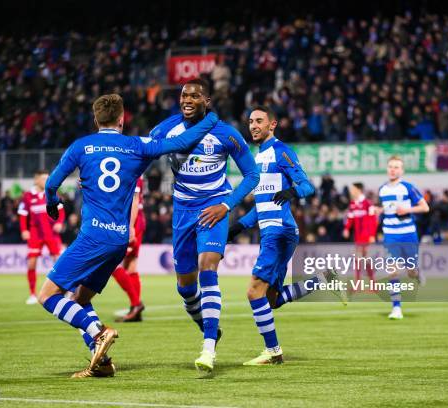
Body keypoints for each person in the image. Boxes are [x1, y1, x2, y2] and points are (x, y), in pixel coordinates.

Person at [38, 93, 218, 378]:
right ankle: (103, 362)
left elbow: (51, 184)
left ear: (96, 119)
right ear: (122, 119)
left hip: (92, 237)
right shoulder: (137, 146)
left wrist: (53, 204)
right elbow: (182, 141)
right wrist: (209, 119)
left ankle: (98, 332)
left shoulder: (81, 146)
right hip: (119, 241)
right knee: (80, 300)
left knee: (47, 295)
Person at [150, 78, 259, 376]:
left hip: (213, 210)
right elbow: (140, 155)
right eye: (184, 95)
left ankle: (208, 347)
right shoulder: (165, 129)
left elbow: (252, 175)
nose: (187, 99)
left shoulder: (227, 134)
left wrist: (226, 206)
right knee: (185, 287)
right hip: (182, 211)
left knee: (207, 268)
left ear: (207, 101)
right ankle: (210, 327)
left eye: (195, 96)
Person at [228, 106, 315, 365]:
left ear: (272, 124)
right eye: (250, 121)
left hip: (278, 230)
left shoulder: (281, 151)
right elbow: (263, 205)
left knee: (254, 292)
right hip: (273, 228)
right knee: (271, 300)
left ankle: (273, 352)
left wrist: (292, 193)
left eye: (259, 121)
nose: (253, 125)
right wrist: (238, 227)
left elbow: (307, 186)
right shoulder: (257, 158)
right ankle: (321, 282)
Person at [378, 156, 430, 320]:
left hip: (408, 234)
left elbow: (425, 207)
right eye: (391, 166)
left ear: (402, 171)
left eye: (396, 167)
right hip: (390, 235)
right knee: (392, 270)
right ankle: (396, 308)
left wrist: (408, 209)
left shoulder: (408, 188)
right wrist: (378, 211)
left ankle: (417, 273)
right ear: (387, 169)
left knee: (411, 272)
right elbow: (387, 209)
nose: (393, 169)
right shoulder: (382, 190)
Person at [18, 169, 64, 304]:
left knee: (60, 262)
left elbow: (60, 211)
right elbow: (23, 214)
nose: (46, 181)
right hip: (35, 233)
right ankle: (32, 294)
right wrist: (24, 230)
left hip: (51, 233)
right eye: (43, 178)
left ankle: (63, 292)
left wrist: (60, 223)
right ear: (36, 180)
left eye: (47, 178)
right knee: (31, 264)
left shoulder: (51, 193)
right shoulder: (27, 196)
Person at [112, 177, 146, 322]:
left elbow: (134, 200)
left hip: (132, 221)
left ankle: (136, 304)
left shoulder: (133, 170)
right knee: (131, 267)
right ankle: (135, 311)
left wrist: (130, 226)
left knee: (111, 264)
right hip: (132, 221)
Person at [342, 182, 377, 290]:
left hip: (366, 236)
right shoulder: (353, 204)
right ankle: (368, 285)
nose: (351, 191)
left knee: (362, 259)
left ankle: (367, 285)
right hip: (358, 236)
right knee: (361, 259)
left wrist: (372, 235)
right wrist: (346, 229)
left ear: (358, 190)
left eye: (353, 189)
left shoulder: (367, 204)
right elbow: (350, 218)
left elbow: (373, 220)